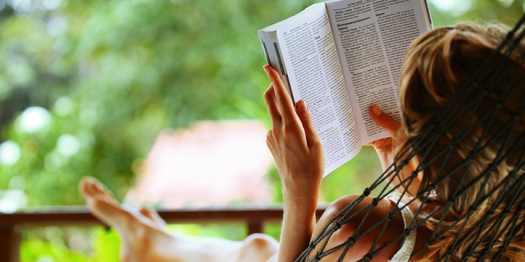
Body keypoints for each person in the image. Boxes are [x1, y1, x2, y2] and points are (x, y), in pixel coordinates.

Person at [80, 22, 525, 262]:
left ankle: (146, 242)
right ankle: (147, 240)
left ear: (428, 158)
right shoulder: (501, 236)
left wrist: (299, 189)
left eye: (405, 122)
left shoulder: (362, 229)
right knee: (256, 251)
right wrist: (404, 172)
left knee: (258, 252)